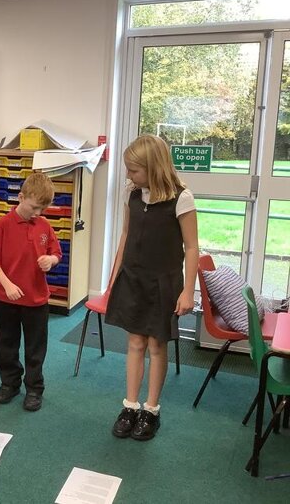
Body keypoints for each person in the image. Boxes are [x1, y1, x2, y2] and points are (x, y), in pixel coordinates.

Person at [105, 134, 199, 441]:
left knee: (157, 345)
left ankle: (151, 410)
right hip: (133, 277)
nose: (128, 175)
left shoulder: (181, 198)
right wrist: (114, 275)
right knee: (135, 342)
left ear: (154, 168)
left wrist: (188, 291)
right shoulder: (131, 193)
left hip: (163, 283)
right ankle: (130, 406)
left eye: (134, 170)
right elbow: (125, 234)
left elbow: (192, 247)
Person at [0, 173, 61, 412]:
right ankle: (9, 383)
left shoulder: (44, 225)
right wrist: (7, 285)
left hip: (36, 299)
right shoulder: (3, 225)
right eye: (34, 207)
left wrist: (50, 260)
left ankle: (34, 388)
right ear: (20, 197)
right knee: (6, 344)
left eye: (42, 209)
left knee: (35, 347)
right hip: (5, 298)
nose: (37, 213)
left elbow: (56, 253)